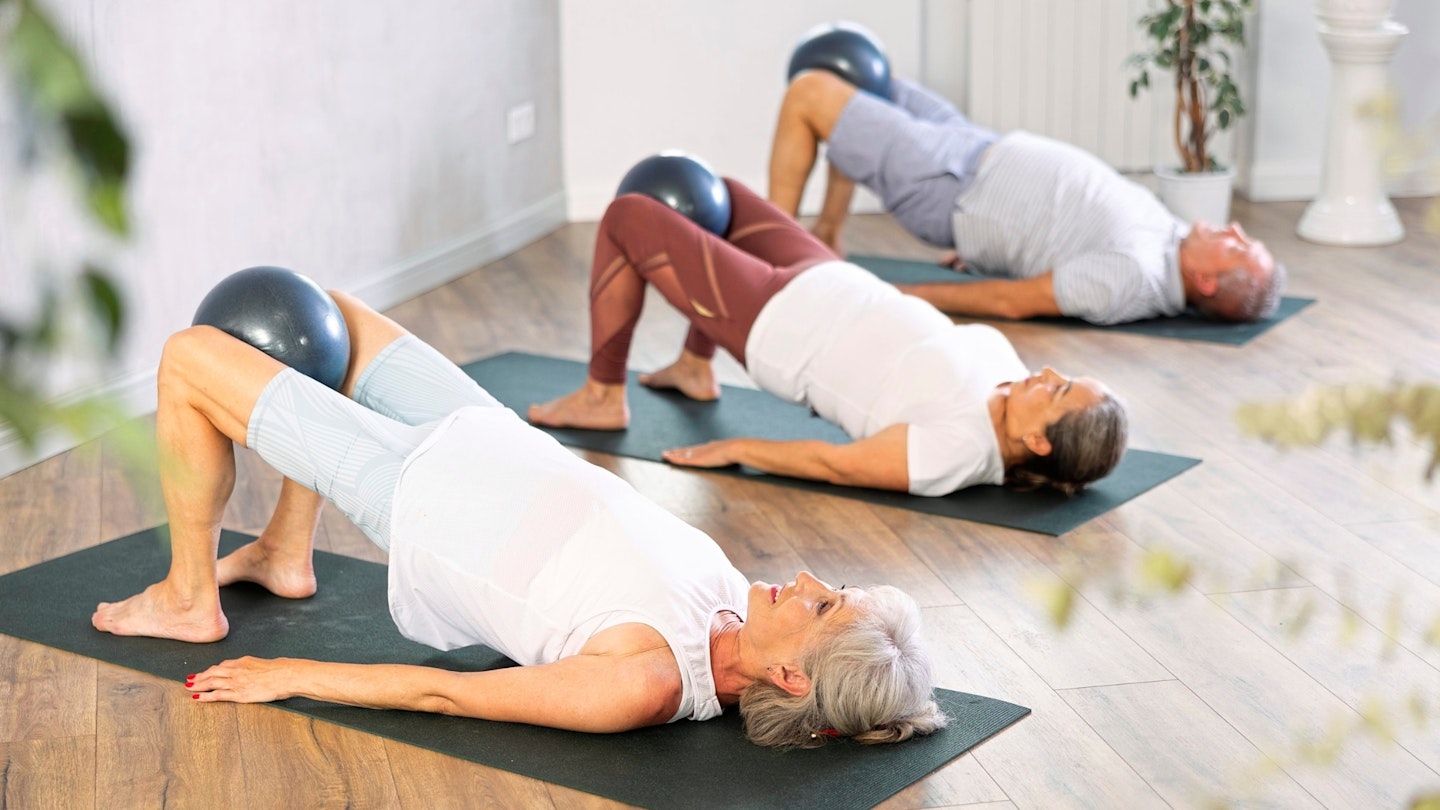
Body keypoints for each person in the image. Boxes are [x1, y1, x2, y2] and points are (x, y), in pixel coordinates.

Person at [90, 290, 945, 749]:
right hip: (483, 429)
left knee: (188, 358)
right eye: (834, 587)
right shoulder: (732, 601)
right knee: (328, 313)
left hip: (416, 495)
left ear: (793, 679)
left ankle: (188, 595)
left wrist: (292, 674)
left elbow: (450, 694)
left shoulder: (644, 684)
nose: (805, 581)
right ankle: (283, 550)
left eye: (824, 605)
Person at [528, 178, 1127, 497]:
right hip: (831, 281)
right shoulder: (1007, 379)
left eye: (1060, 391)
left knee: (629, 215)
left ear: (1037, 443)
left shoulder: (957, 451)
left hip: (782, 328)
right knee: (725, 194)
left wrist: (741, 450)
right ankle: (693, 363)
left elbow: (835, 465)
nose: (1049, 375)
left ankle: (603, 394)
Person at [768, 70, 1286, 326]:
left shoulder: (1131, 277)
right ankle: (828, 233)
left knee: (811, 93)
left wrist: (895, 295)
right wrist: (994, 257)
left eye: (1239, 248)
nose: (1235, 230)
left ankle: (773, 260)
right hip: (975, 147)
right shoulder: (1171, 240)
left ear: (1204, 280)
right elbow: (1066, 241)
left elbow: (1013, 302)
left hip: (952, 185)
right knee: (866, 76)